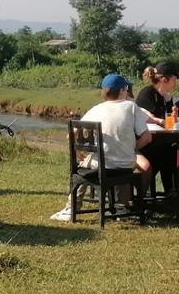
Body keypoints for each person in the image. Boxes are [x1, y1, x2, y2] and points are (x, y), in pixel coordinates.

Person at [50, 73, 152, 220]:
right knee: (124, 159)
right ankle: (121, 207)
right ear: (123, 90)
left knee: (85, 163)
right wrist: (133, 148)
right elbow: (147, 137)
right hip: (125, 166)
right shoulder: (131, 107)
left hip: (101, 166)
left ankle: (72, 208)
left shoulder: (96, 109)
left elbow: (70, 135)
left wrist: (78, 151)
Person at [134, 61, 179, 196]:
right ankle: (164, 191)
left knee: (173, 151)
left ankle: (173, 190)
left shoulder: (166, 98)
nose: (176, 83)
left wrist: (169, 103)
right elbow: (148, 117)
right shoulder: (147, 94)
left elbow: (169, 120)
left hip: (158, 140)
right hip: (143, 141)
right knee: (168, 153)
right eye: (174, 79)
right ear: (164, 79)